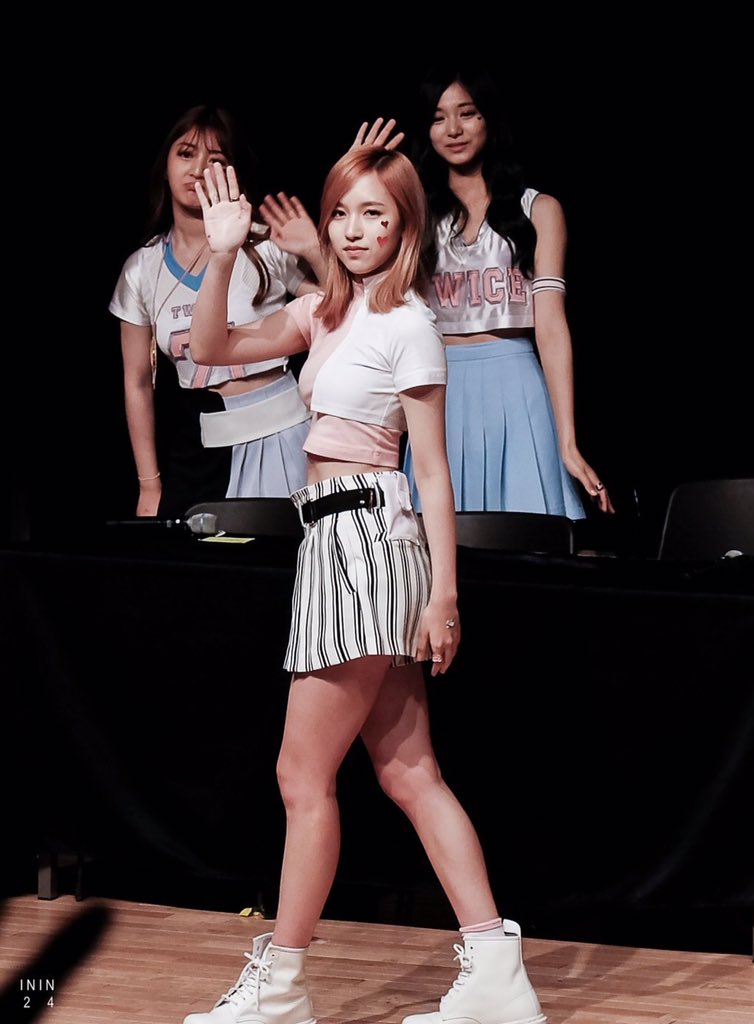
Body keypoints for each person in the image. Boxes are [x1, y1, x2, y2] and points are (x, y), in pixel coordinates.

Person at [181, 149, 547, 1024]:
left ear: (405, 227)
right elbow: (210, 348)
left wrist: (445, 596)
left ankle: (281, 987)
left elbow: (434, 469)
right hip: (334, 541)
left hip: (367, 543)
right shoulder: (324, 311)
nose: (353, 230)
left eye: (375, 214)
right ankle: (497, 975)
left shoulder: (409, 324)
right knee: (411, 773)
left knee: (301, 775)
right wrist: (223, 254)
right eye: (342, 211)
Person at [382, 66, 614, 517]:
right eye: (438, 118)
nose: (453, 129)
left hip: (517, 387)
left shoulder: (538, 209)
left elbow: (551, 327)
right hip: (438, 386)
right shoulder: (413, 215)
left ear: (489, 118)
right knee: (440, 537)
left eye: (467, 113)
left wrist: (568, 441)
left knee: (530, 536)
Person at [109, 105, 324, 519]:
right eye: (186, 153)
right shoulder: (142, 269)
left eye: (215, 159)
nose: (197, 170)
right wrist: (149, 485)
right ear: (165, 164)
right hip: (202, 451)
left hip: (286, 435)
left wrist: (314, 250)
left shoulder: (264, 245)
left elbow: (343, 311)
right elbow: (137, 383)